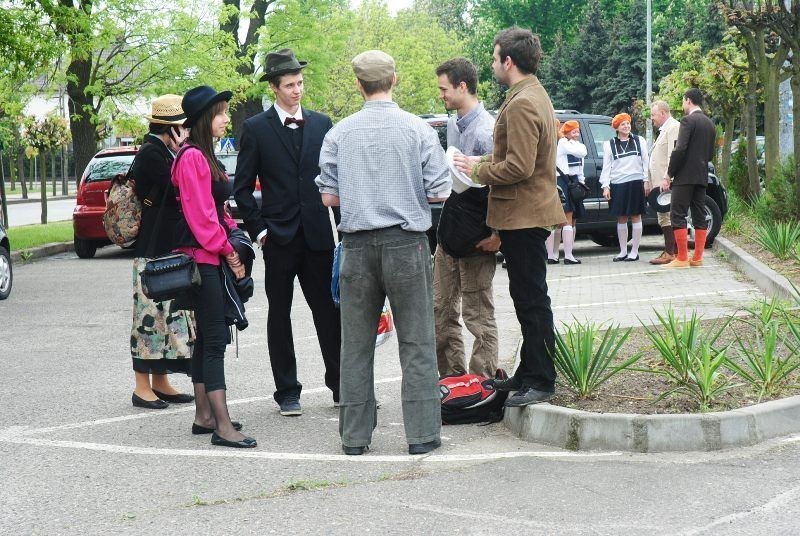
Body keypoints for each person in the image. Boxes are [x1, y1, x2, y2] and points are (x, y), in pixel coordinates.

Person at [316, 50, 450, 455]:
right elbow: (439, 190)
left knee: (355, 345)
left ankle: (354, 437)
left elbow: (328, 197)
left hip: (356, 246)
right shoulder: (418, 130)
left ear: (359, 85)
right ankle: (422, 434)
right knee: (417, 342)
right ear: (395, 79)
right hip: (407, 243)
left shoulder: (339, 133)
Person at [453, 27, 566, 407]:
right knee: (527, 297)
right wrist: (482, 161)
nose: (491, 63)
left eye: (494, 55)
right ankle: (530, 371)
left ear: (508, 61)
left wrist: (478, 170)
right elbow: (517, 159)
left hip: (524, 216)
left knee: (532, 300)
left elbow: (518, 166)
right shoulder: (530, 93)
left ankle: (542, 379)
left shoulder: (521, 102)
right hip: (524, 215)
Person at [234, 49, 341, 416]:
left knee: (329, 313)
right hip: (277, 238)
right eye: (290, 85)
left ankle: (341, 385)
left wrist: (343, 229)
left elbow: (335, 179)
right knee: (279, 315)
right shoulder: (255, 129)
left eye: (300, 83)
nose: (297, 90)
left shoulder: (323, 123)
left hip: (317, 237)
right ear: (274, 88)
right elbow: (242, 189)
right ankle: (287, 392)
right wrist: (259, 231)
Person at [173, 85, 256, 448]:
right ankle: (222, 427)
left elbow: (217, 210)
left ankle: (205, 416)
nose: (226, 119)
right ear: (206, 118)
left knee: (207, 336)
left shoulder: (202, 156)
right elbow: (201, 218)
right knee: (214, 341)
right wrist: (229, 251)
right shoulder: (192, 157)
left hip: (209, 256)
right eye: (221, 113)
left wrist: (233, 235)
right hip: (203, 260)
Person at [432, 57, 499, 379]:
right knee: (441, 312)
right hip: (449, 235)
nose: (441, 95)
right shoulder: (451, 125)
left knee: (478, 317)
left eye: (444, 89)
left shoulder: (487, 130)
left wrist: (497, 235)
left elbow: (504, 187)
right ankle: (452, 381)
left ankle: (483, 384)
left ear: (462, 86)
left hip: (478, 241)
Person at [129, 95, 195, 410]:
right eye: (183, 127)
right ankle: (142, 387)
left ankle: (161, 381)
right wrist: (183, 151)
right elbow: (178, 187)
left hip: (166, 248)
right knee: (148, 319)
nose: (187, 132)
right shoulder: (151, 155)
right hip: (152, 250)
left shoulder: (163, 152)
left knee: (168, 318)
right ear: (170, 128)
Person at [662, 88, 717, 269]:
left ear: (688, 100)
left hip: (684, 176)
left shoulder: (687, 121)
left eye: (683, 101)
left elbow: (680, 149)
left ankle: (682, 258)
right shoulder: (709, 123)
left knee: (677, 214)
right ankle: (697, 258)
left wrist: (669, 173)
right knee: (699, 214)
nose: (683, 105)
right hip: (701, 175)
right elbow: (710, 153)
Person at [599, 113, 650, 262]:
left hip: (635, 182)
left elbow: (646, 161)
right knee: (621, 217)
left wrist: (646, 180)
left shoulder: (639, 141)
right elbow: (606, 167)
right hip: (618, 183)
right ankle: (622, 251)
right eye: (623, 124)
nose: (626, 126)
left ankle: (634, 251)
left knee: (636, 216)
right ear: (617, 128)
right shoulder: (609, 144)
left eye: (628, 123)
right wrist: (606, 186)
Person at [550, 120, 587, 264]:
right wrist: (565, 136)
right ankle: (562, 255)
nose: (576, 134)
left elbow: (582, 154)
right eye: (573, 131)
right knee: (564, 218)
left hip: (574, 181)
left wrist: (582, 182)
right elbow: (579, 151)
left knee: (572, 219)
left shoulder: (573, 144)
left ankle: (559, 254)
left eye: (578, 131)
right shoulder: (563, 144)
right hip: (562, 181)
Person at [648, 100, 681, 265]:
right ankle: (671, 250)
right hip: (659, 182)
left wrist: (668, 177)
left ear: (662, 113)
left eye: (653, 114)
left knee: (667, 216)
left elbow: (672, 155)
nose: (651, 118)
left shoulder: (673, 127)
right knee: (663, 217)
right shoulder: (664, 130)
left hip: (665, 182)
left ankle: (671, 252)